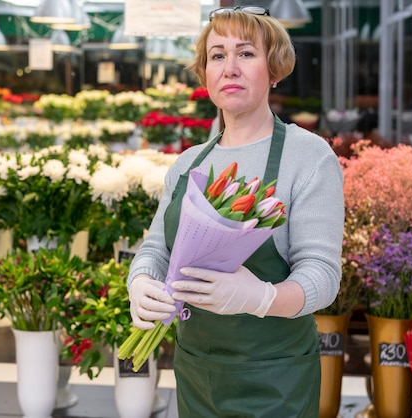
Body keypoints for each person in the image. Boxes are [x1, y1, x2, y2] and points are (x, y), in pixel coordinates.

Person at [127, 6, 344, 417]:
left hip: (275, 381)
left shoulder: (309, 157)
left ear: (274, 69)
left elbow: (322, 276)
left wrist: (260, 297)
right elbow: (156, 248)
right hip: (196, 372)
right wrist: (140, 282)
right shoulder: (189, 163)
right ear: (205, 73)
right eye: (217, 55)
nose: (230, 68)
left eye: (246, 54)